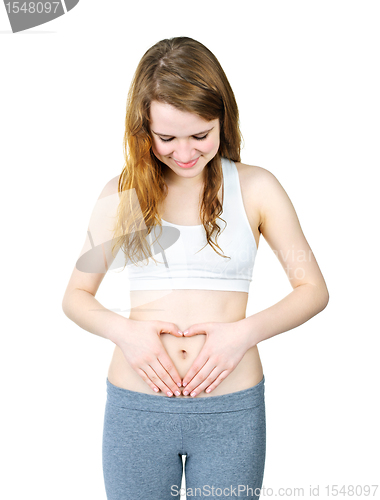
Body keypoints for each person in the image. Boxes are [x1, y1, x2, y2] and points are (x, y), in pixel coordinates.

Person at [62, 37, 329, 500]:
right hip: (137, 408)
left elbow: (312, 289)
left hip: (231, 411)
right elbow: (75, 296)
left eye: (200, 135)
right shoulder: (122, 192)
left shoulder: (257, 188)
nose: (184, 153)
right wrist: (126, 332)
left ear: (222, 120)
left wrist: (242, 334)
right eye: (166, 138)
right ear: (143, 128)